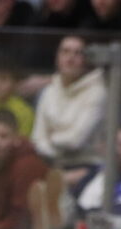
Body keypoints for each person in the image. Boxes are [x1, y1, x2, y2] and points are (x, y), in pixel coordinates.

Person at [31, 35, 107, 182]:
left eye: (77, 53)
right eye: (65, 52)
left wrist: (51, 138)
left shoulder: (98, 92)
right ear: (57, 57)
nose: (70, 58)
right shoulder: (48, 91)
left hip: (88, 168)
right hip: (52, 164)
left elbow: (75, 141)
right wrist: (55, 143)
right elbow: (37, 139)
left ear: (86, 60)